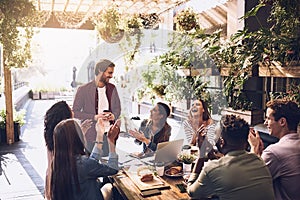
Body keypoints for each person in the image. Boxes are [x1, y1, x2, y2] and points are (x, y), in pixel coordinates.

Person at [187, 114, 275, 200]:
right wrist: (211, 155)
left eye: (215, 135)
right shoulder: (259, 161)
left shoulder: (212, 169)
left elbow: (192, 192)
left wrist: (201, 154)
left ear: (222, 142)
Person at [49, 118, 120, 200]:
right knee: (109, 186)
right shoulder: (83, 164)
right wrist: (111, 141)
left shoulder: (57, 162)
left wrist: (100, 135)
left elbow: (91, 162)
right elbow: (112, 169)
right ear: (76, 138)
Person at [248, 99, 300, 200]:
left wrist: (254, 149)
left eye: (268, 119)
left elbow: (250, 184)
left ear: (282, 122)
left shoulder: (274, 152)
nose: (265, 123)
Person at [43, 101, 93, 200]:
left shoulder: (50, 133)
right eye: (71, 113)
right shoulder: (62, 135)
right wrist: (79, 134)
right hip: (65, 177)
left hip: (52, 176)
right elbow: (78, 154)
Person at [73, 59, 121, 153]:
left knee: (109, 164)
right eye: (109, 72)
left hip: (109, 136)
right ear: (100, 70)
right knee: (91, 164)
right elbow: (75, 112)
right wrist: (94, 117)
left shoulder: (112, 88)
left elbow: (117, 108)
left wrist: (113, 115)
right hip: (91, 137)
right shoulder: (83, 90)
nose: (111, 76)